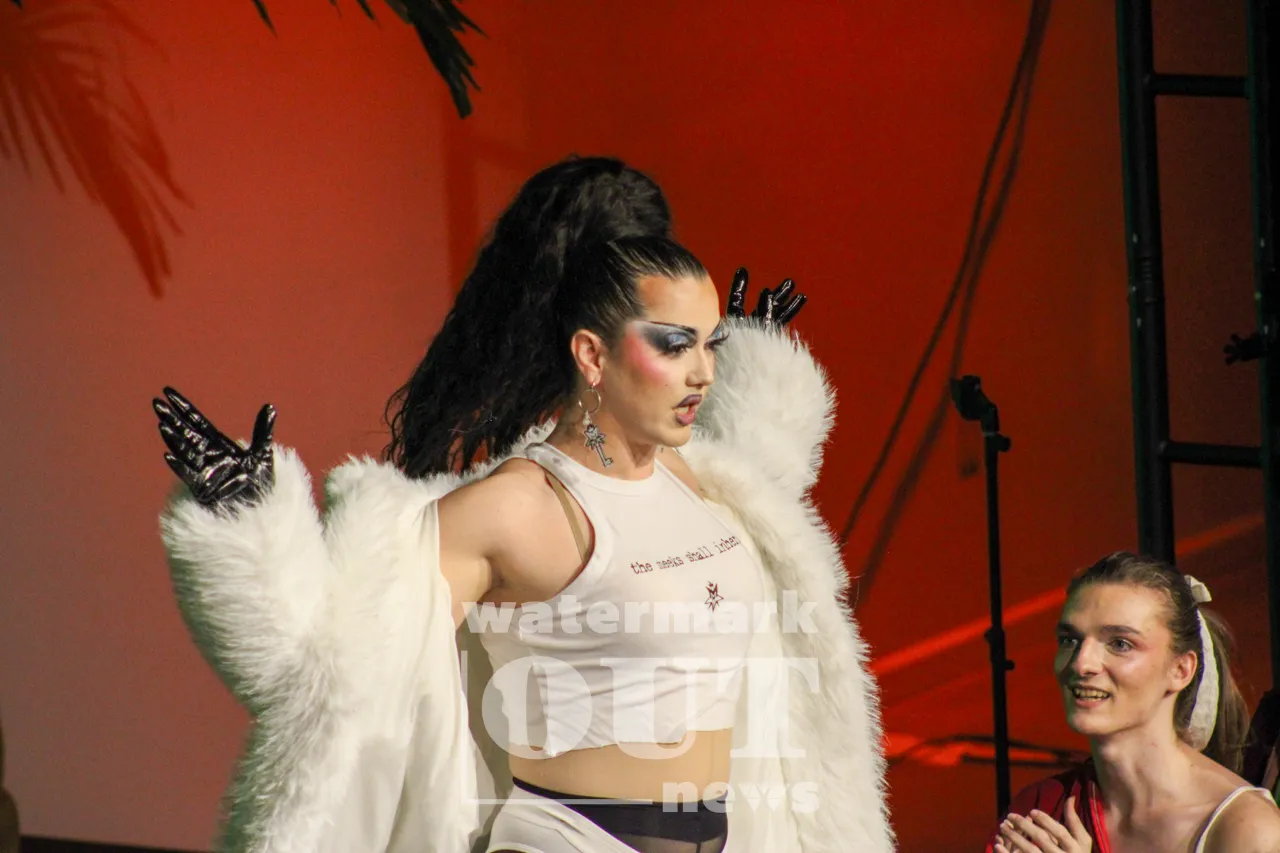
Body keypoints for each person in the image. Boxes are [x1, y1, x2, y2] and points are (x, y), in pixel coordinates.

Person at [153, 156, 894, 853]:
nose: (703, 371)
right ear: (592, 354)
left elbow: (758, 492)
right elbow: (342, 666)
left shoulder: (704, 479)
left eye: (712, 345)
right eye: (675, 344)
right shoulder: (511, 509)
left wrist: (759, 368)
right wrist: (248, 527)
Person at [985, 551, 1280, 853]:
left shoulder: (1246, 828)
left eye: (1120, 644)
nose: (1081, 664)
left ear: (1181, 670)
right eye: (1069, 640)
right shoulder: (1038, 812)